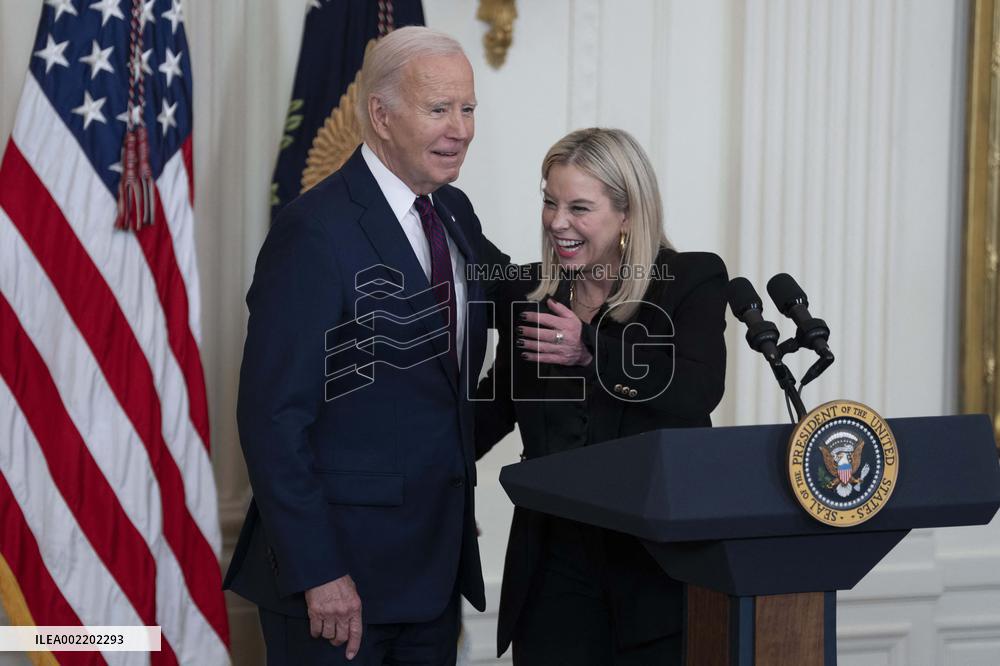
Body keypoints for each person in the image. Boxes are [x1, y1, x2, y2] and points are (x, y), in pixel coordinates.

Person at [224, 27, 508, 665]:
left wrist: (621, 281)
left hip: (432, 579)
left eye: (468, 109)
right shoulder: (313, 231)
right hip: (335, 586)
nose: (460, 129)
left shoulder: (455, 212)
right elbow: (272, 420)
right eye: (439, 109)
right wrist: (319, 572)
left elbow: (509, 302)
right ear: (381, 115)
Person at [475, 127, 728, 665]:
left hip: (658, 576)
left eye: (579, 207)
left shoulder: (688, 280)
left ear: (628, 215)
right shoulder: (529, 298)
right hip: (553, 579)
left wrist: (590, 352)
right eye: (550, 202)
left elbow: (696, 390)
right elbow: (487, 415)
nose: (557, 222)